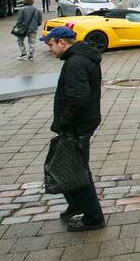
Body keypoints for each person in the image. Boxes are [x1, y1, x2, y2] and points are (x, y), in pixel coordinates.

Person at [42, 26, 105, 231]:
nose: (50, 49)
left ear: (62, 42)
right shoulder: (80, 57)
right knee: (71, 166)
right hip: (82, 122)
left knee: (77, 169)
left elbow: (78, 97)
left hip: (78, 125)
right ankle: (77, 204)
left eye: (51, 45)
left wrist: (66, 122)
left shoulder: (76, 62)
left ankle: (93, 217)